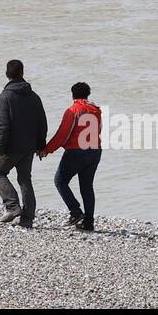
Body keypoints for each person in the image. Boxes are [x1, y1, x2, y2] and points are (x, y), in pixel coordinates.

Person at [39, 82, 102, 232]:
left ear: (72, 95)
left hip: (76, 152)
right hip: (95, 151)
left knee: (60, 181)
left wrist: (47, 150)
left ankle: (75, 212)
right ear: (88, 94)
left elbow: (62, 134)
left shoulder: (73, 110)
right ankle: (89, 222)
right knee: (87, 187)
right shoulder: (96, 110)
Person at [0, 60, 48, 228]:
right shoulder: (34, 96)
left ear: (7, 74)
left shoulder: (5, 97)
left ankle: (12, 207)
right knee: (25, 179)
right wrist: (41, 145)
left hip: (11, 147)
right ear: (22, 73)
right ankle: (27, 218)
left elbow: (2, 125)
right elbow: (42, 123)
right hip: (29, 147)